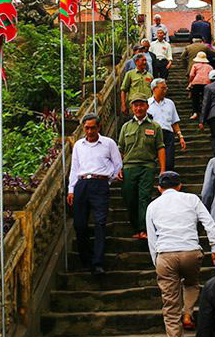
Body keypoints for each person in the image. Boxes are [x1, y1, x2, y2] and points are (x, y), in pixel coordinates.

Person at [146, 171, 215, 337]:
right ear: (179, 185)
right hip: (190, 251)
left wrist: (157, 260)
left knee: (170, 306)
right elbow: (209, 223)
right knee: (192, 283)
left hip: (166, 255)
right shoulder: (191, 199)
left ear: (160, 188)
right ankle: (187, 312)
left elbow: (152, 239)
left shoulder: (153, 206)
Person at [66, 114, 123, 275]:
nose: (90, 131)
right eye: (86, 128)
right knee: (80, 225)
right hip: (82, 184)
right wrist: (71, 189)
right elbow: (74, 168)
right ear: (83, 128)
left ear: (99, 128)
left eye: (93, 127)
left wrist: (108, 179)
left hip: (100, 184)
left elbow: (118, 165)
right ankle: (86, 260)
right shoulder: (78, 145)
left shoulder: (108, 143)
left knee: (100, 223)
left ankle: (98, 262)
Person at [118, 96, 166, 239]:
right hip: (129, 167)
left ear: (147, 107)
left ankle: (143, 229)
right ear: (132, 108)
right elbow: (120, 149)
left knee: (144, 197)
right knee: (129, 197)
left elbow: (160, 148)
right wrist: (118, 167)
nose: (138, 108)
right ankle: (135, 227)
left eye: (141, 105)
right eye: (136, 106)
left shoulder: (155, 126)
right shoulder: (126, 127)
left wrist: (163, 169)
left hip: (147, 166)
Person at [147, 78, 186, 171]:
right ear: (154, 89)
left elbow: (174, 121)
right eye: (162, 88)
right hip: (152, 134)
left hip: (168, 134)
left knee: (169, 161)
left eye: (166, 88)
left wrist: (180, 136)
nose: (165, 90)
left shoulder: (170, 103)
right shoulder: (147, 103)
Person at [187, 51, 212, 121]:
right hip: (207, 83)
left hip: (196, 83)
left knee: (195, 98)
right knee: (205, 99)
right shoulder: (209, 67)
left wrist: (190, 81)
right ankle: (206, 113)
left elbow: (191, 75)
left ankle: (195, 113)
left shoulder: (195, 65)